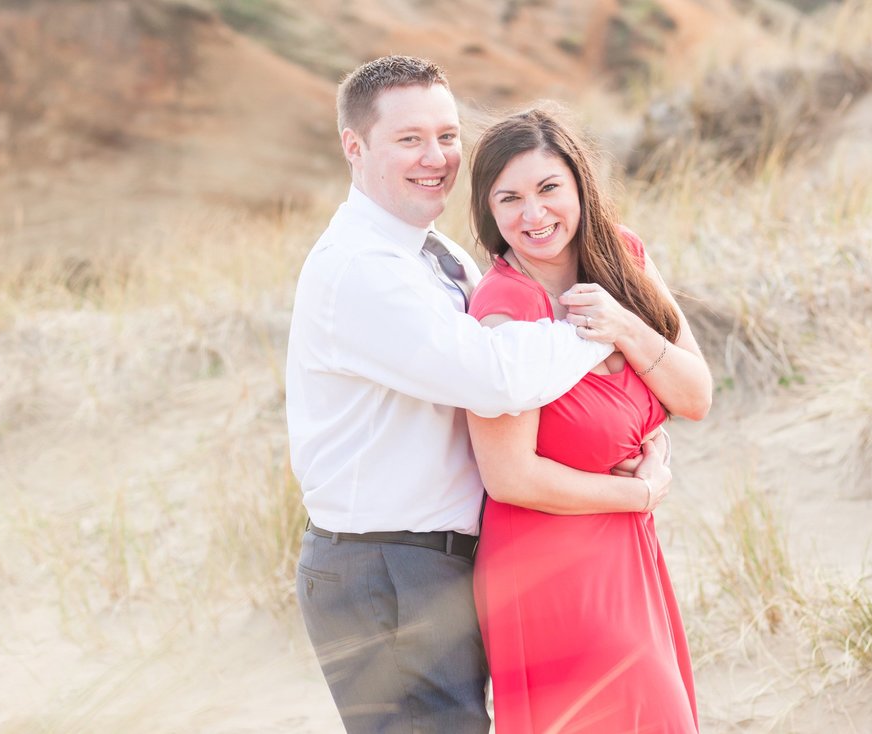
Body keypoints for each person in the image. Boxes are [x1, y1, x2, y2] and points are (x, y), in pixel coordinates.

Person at [285, 56, 673, 733]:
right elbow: (495, 380)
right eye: (409, 139)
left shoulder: (439, 258)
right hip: (384, 568)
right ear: (355, 146)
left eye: (446, 134)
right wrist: (607, 323)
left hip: (440, 563)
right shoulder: (360, 271)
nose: (435, 157)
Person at [465, 104, 713, 732]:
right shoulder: (502, 311)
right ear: (488, 211)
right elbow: (509, 476)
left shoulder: (623, 255)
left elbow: (695, 395)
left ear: (579, 183)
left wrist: (624, 325)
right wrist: (640, 490)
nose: (534, 214)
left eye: (549, 188)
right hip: (546, 565)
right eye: (510, 198)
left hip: (628, 549)